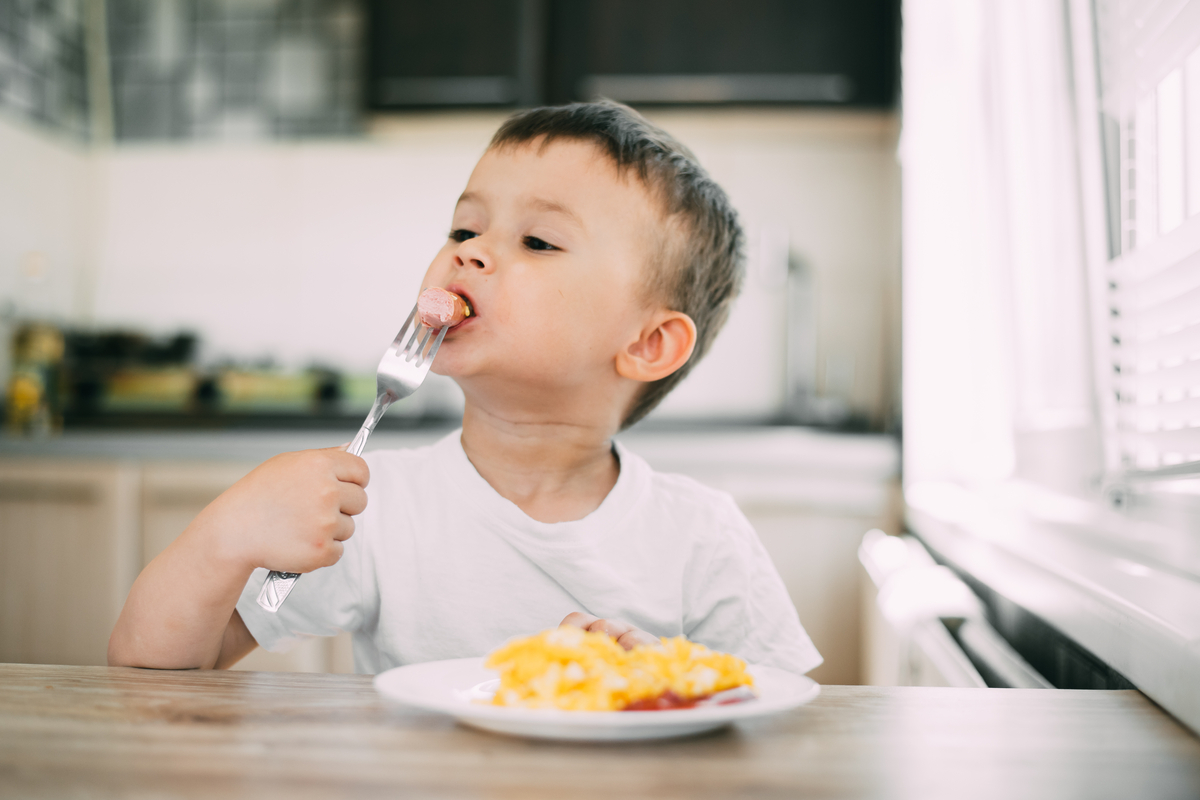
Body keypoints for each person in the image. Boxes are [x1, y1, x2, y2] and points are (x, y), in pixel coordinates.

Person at [107, 101, 822, 676]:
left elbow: (786, 723)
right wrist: (224, 535)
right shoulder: (375, 508)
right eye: (463, 227)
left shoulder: (700, 535)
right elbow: (152, 662)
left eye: (538, 241)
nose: (468, 251)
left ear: (646, 344)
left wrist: (662, 678)